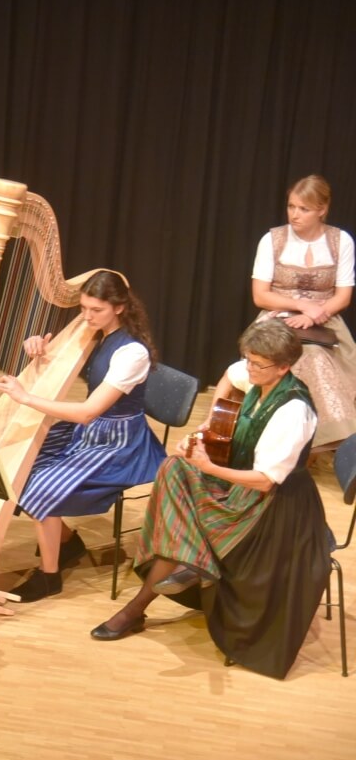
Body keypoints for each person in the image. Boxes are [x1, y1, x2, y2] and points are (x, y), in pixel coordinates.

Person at [90, 319, 331, 678]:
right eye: (248, 359)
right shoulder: (257, 374)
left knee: (187, 483)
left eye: (257, 363)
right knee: (174, 468)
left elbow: (265, 481)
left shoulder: (293, 412)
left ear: (283, 366)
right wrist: (212, 424)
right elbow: (231, 376)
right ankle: (189, 565)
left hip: (274, 507)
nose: (249, 368)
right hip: (242, 485)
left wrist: (207, 465)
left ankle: (142, 602)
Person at [0, 270, 166, 602]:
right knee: (16, 463)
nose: (86, 316)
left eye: (95, 310)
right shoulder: (96, 331)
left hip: (118, 442)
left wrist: (25, 397)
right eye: (83, 308)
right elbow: (61, 368)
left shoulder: (132, 353)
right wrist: (38, 347)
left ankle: (49, 577)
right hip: (90, 431)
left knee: (37, 485)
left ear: (120, 307)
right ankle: (68, 542)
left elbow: (88, 412)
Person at [251, 174, 356, 449]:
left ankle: (325, 439)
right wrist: (300, 305)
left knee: (318, 355)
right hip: (277, 318)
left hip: (324, 320)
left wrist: (313, 314)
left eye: (304, 209)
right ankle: (281, 437)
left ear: (322, 210)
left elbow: (343, 296)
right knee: (296, 356)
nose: (294, 215)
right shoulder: (272, 240)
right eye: (291, 207)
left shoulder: (340, 241)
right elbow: (260, 296)